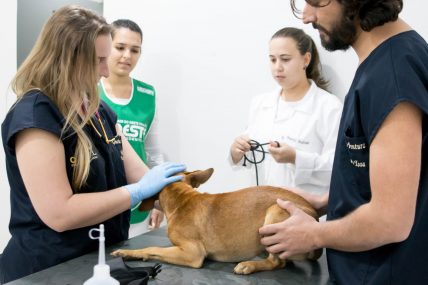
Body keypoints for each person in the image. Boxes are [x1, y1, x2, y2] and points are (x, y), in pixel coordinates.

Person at [0, 6, 185, 284]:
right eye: (99, 60)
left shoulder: (99, 112)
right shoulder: (36, 114)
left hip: (97, 261)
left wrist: (192, 200)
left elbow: (143, 177)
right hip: (46, 268)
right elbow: (59, 213)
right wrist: (134, 193)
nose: (105, 69)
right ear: (68, 60)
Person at [259, 0, 428, 284]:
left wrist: (312, 234)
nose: (308, 17)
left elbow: (391, 221)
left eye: (315, 2)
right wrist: (328, 201)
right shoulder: (391, 60)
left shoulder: (393, 75)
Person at [229, 27, 342, 195]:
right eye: (272, 60)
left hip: (307, 212)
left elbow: (339, 168)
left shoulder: (329, 107)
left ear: (306, 59)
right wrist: (236, 152)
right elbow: (255, 159)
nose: (278, 67)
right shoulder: (260, 104)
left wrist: (296, 158)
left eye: (285, 59)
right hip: (262, 209)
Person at [99, 19, 165, 237]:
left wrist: (159, 198)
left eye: (134, 50)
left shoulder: (147, 94)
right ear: (107, 46)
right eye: (120, 47)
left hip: (138, 207)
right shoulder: (89, 90)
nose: (127, 55)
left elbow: (153, 155)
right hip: (97, 201)